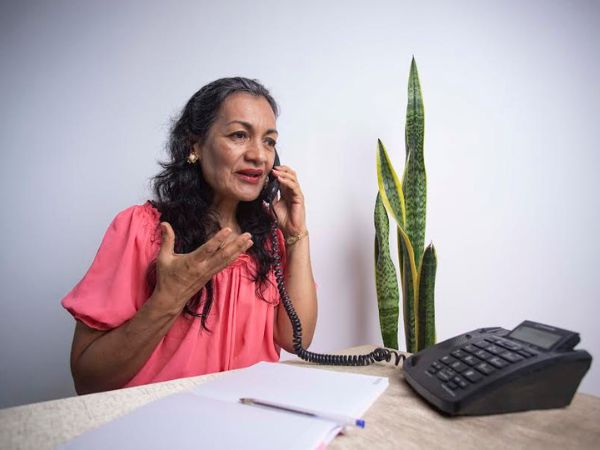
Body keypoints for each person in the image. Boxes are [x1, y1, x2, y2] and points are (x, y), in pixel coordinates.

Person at [61, 77, 318, 395]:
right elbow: (88, 379)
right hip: (160, 418)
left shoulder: (269, 240)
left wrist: (297, 234)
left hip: (248, 416)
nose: (259, 156)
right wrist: (169, 297)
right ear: (194, 145)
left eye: (269, 141)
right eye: (239, 135)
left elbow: (296, 340)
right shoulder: (142, 229)